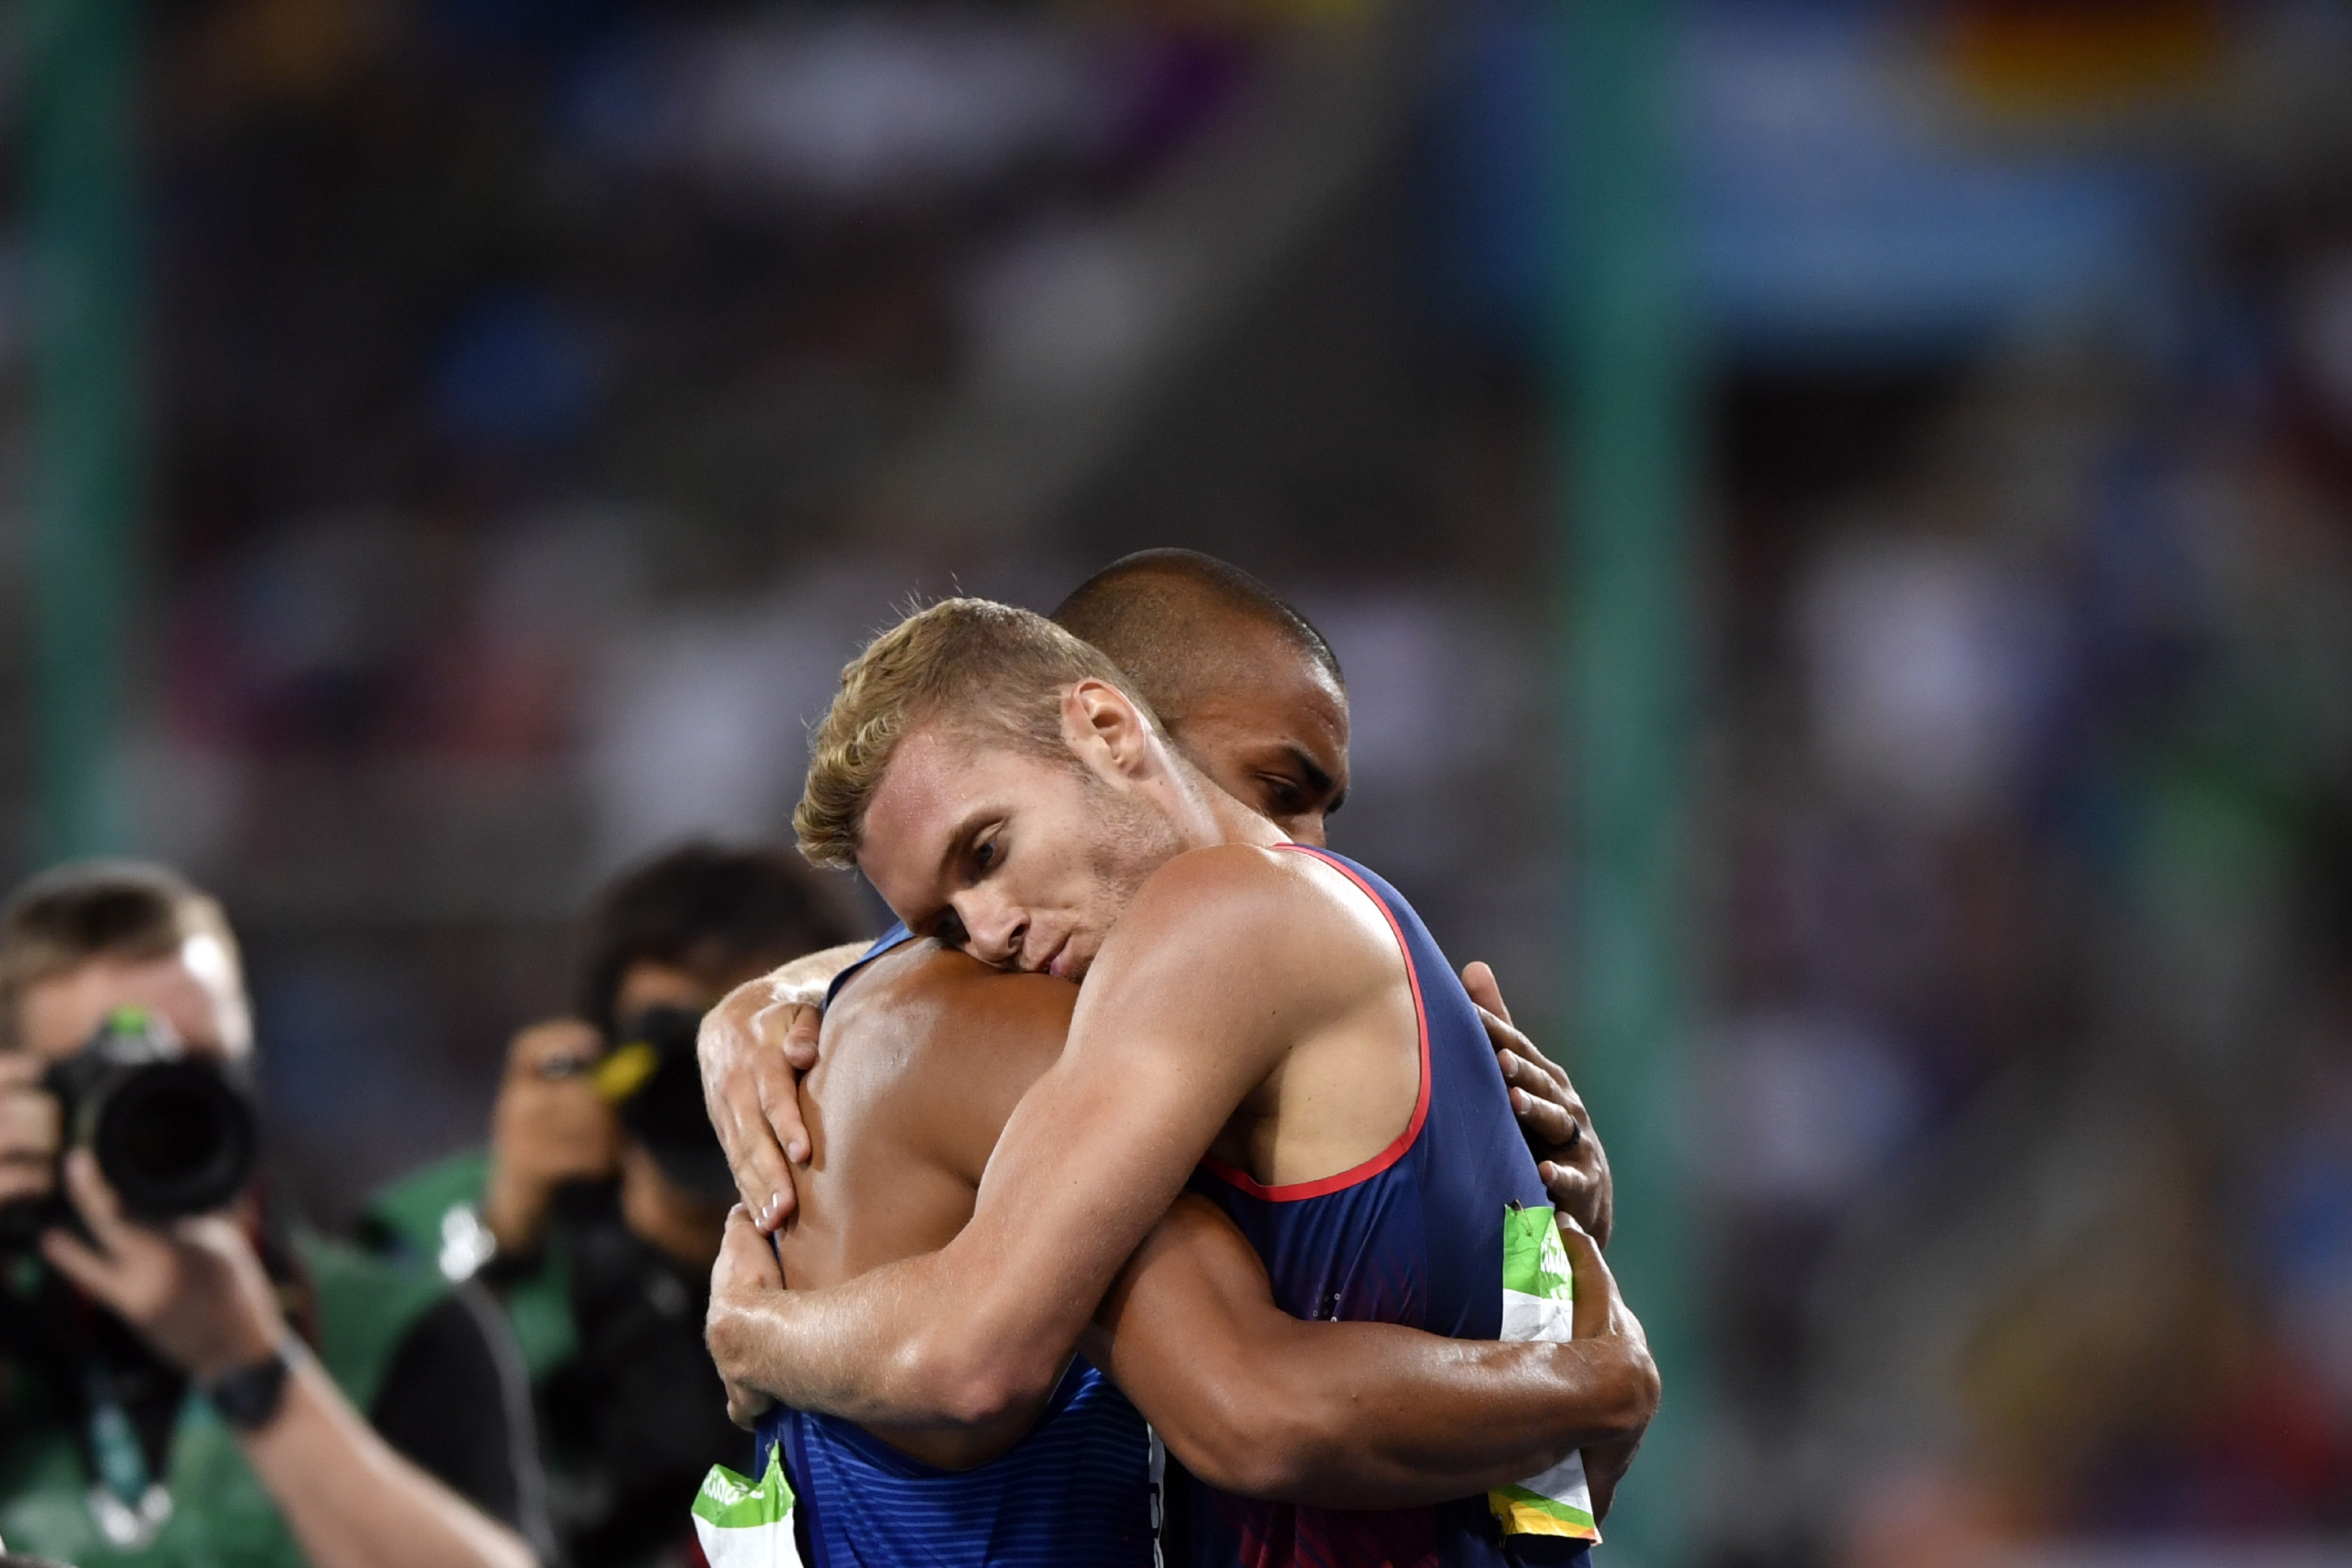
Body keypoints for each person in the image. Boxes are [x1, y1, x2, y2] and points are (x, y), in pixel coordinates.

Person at [706, 596, 1659, 1563]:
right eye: (945, 925)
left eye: (989, 851)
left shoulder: (1221, 912)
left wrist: (757, 1335)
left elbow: (1177, 1397)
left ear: (1113, 727)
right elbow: (1553, 1489)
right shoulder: (1386, 950)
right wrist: (763, 994)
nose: (988, 934)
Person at [0, 860, 552, 1568]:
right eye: (99, 1078)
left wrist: (254, 1367)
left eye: (193, 1066)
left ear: (249, 1068)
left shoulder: (399, 1328)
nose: (157, 1109)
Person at [365, 842, 857, 1568]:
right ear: (605, 1057)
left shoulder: (899, 1215)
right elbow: (383, 1484)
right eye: (677, 1043)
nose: (715, 1081)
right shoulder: (476, 1225)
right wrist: (504, 1241)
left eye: (752, 1028)